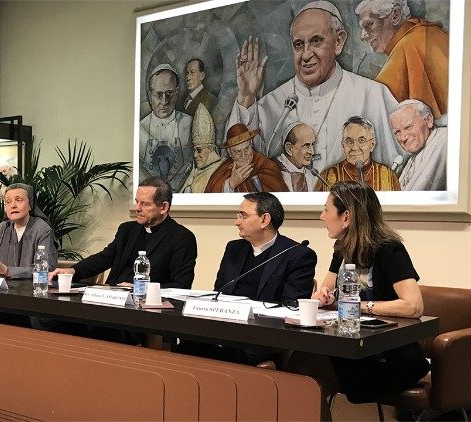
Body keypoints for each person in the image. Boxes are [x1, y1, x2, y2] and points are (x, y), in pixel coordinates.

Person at [227, 1, 402, 171]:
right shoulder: (273, 102)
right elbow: (238, 159)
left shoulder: (372, 95)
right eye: (298, 45)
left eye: (316, 41)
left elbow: (398, 165)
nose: (305, 55)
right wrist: (246, 97)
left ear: (339, 41)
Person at [312, 181, 430, 404]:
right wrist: (322, 298)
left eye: (326, 210)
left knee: (308, 368)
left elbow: (414, 306)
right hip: (351, 347)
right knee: (303, 363)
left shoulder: (389, 249)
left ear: (346, 216)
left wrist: (357, 307)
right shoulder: (342, 248)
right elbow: (326, 294)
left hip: (389, 356)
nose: (322, 216)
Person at [176, 192, 316, 366]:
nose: (236, 221)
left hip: (261, 338)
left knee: (227, 355)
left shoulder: (297, 255)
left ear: (265, 219)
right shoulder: (234, 248)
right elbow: (219, 292)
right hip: (225, 330)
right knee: (186, 346)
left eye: (243, 215)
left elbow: (292, 307)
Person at [49, 177, 197, 289]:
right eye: (137, 201)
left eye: (145, 204)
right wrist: (73, 270)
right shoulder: (127, 230)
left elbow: (181, 285)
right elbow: (104, 258)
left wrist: (141, 289)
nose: (137, 208)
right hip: (113, 300)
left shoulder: (182, 238)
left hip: (145, 310)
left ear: (164, 207)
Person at [356, 0, 449, 120]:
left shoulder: (407, 46)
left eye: (369, 25)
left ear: (395, 15)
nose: (363, 36)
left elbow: (378, 106)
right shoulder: (434, 33)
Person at [139, 63, 193, 192]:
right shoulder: (140, 128)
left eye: (169, 94)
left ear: (177, 92)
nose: (164, 101)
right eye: (158, 95)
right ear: (150, 94)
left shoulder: (189, 123)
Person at [0, 183, 57, 278]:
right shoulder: (3, 227)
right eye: (8, 202)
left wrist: (10, 271)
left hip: (31, 289)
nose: (13, 205)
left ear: (30, 204)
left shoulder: (42, 229)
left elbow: (46, 267)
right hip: (2, 288)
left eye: (18, 200)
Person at [316, 116, 400, 191]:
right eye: (349, 141)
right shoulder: (326, 178)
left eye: (361, 141)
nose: (355, 147)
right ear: (343, 146)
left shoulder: (388, 176)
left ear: (372, 145)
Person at [204, 123, 288, 193]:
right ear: (230, 153)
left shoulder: (267, 166)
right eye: (238, 151)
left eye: (247, 148)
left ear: (251, 145)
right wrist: (231, 184)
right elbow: (209, 200)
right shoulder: (223, 169)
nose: (243, 156)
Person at [390, 99, 447, 191]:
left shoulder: (445, 140)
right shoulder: (412, 160)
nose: (403, 137)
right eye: (397, 132)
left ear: (428, 120)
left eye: (408, 127)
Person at [180, 104, 222, 193]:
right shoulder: (195, 172)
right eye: (194, 150)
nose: (195, 155)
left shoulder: (221, 170)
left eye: (199, 150)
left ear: (211, 149)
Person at [274, 122, 319, 191]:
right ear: (289, 149)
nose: (312, 152)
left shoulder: (311, 173)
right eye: (306, 145)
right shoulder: (272, 170)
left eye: (312, 144)